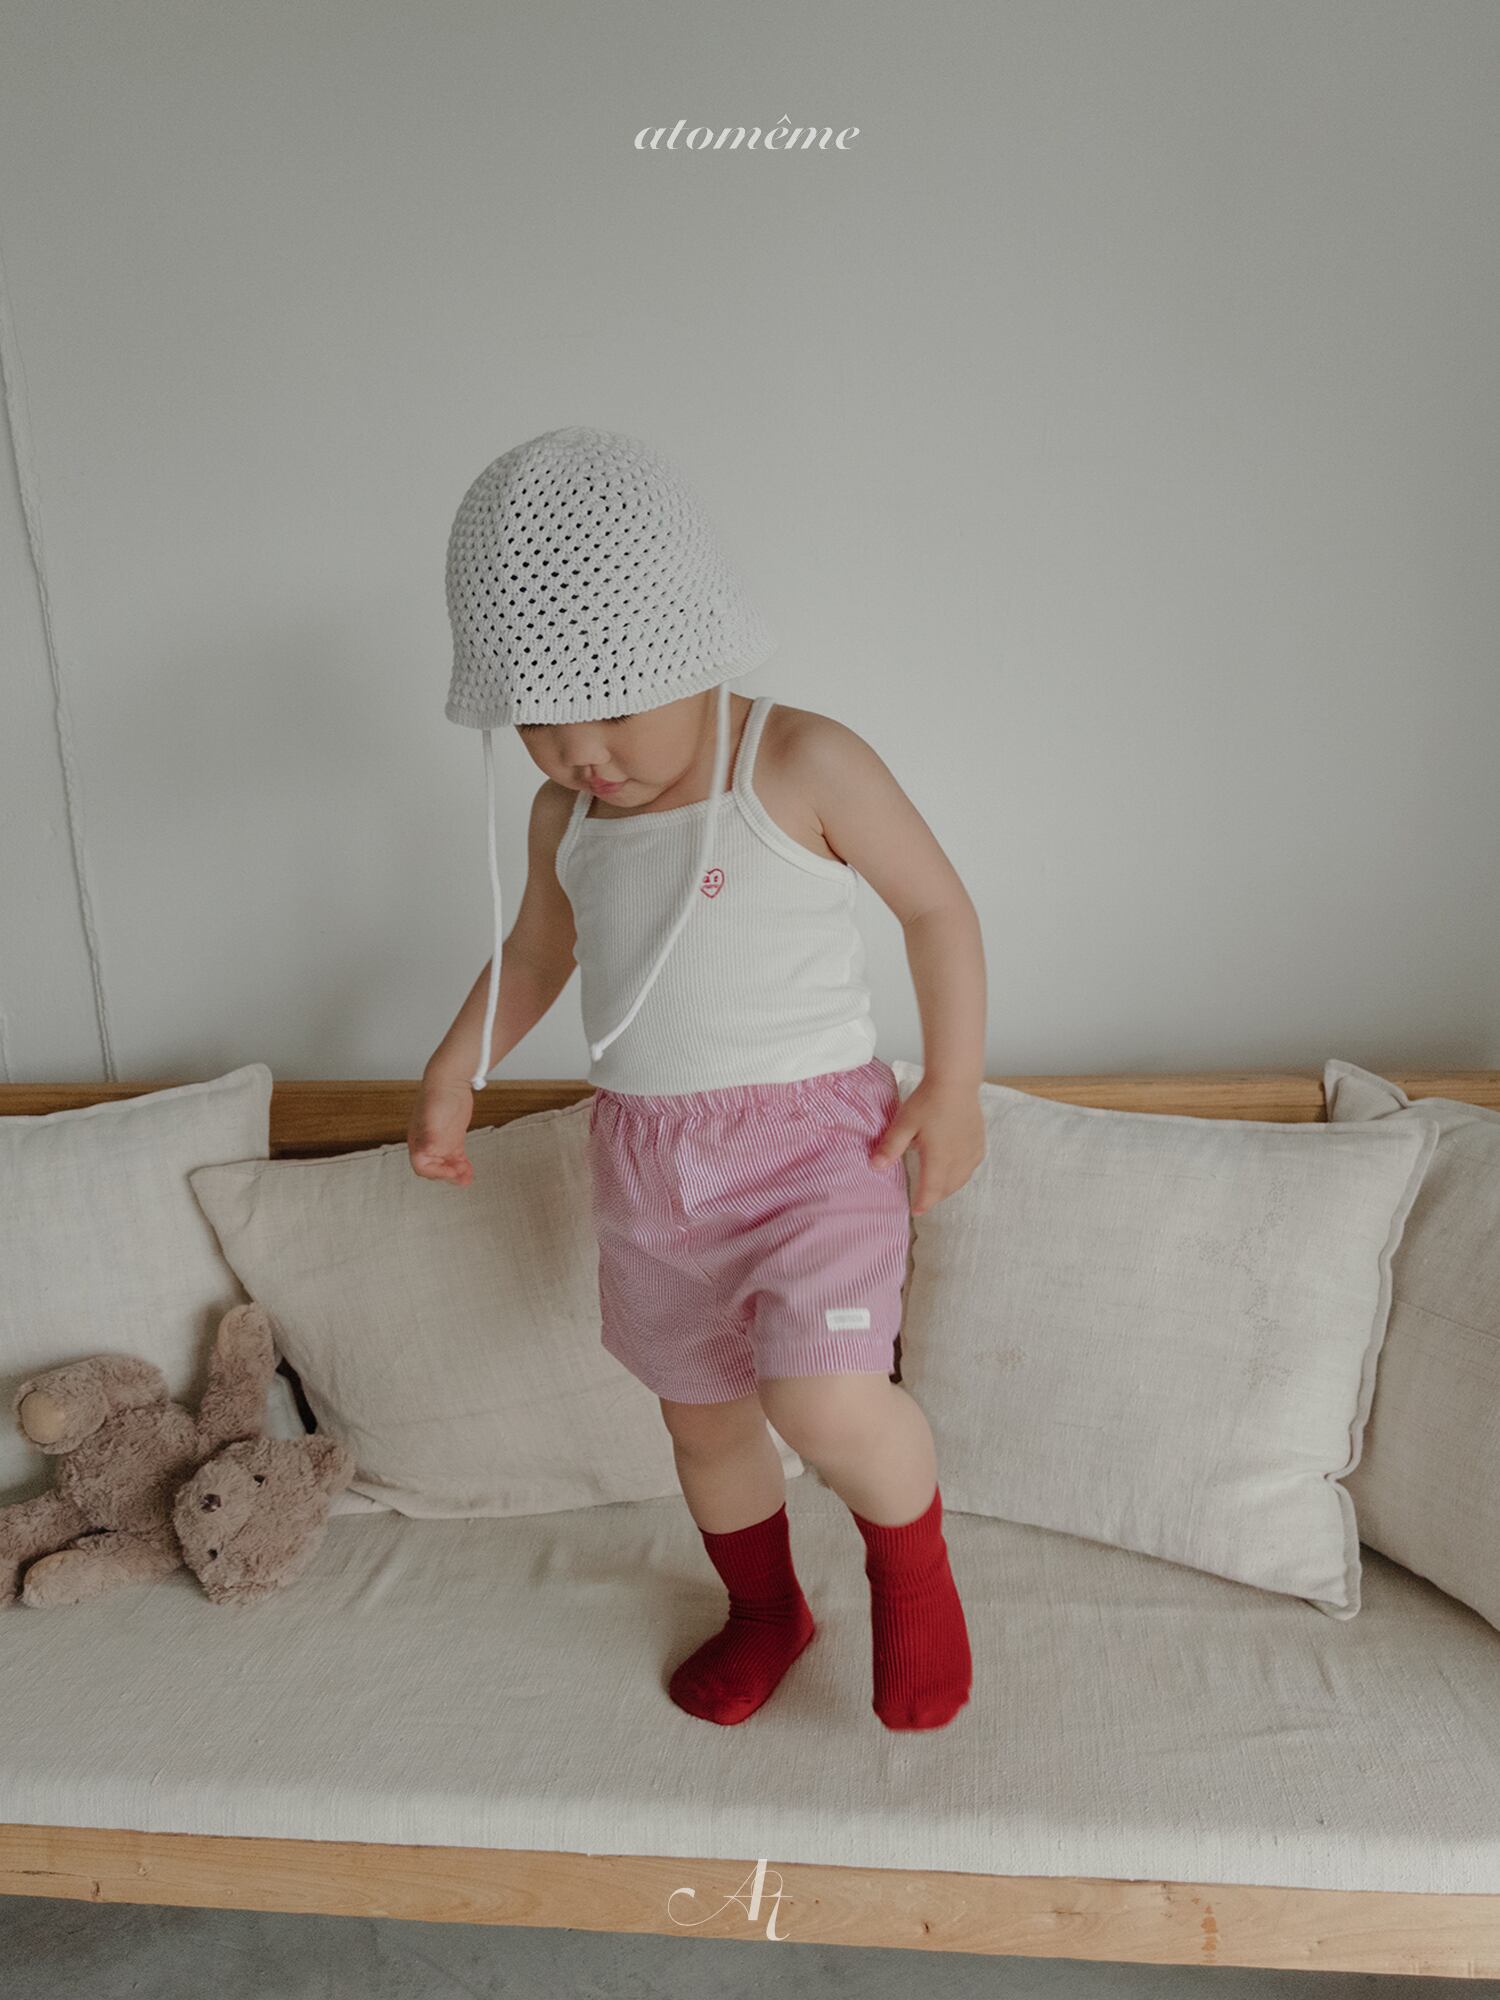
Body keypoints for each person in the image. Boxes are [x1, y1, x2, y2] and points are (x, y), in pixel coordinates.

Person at [410, 426, 986, 1730]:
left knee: (821, 1398)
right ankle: (767, 1610)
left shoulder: (801, 760)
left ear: (691, 650)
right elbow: (537, 954)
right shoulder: (566, 816)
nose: (582, 753)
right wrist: (455, 1070)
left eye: (613, 709)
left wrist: (953, 1085)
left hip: (817, 1154)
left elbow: (937, 909)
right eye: (541, 725)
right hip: (651, 1168)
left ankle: (913, 1571)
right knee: (707, 1425)